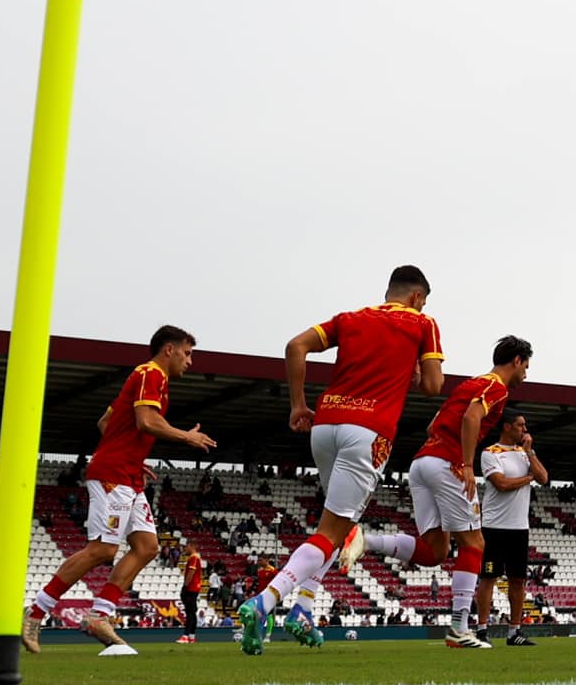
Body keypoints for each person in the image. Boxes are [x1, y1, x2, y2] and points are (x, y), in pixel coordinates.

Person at [237, 266, 444, 654]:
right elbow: (434, 386)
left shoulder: (350, 318)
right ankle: (266, 601)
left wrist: (299, 405)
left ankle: (303, 607)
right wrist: (415, 369)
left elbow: (295, 346)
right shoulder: (423, 323)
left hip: (326, 424)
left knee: (339, 525)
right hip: (369, 431)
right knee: (334, 529)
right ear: (417, 297)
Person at [22, 326, 214, 653]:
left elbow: (105, 423)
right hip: (113, 475)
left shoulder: (148, 379)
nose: (190, 361)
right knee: (103, 550)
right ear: (169, 349)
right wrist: (186, 436)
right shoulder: (150, 374)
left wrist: (130, 454)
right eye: (188, 352)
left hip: (127, 474)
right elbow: (146, 422)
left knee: (148, 546)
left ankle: (100, 615)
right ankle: (36, 611)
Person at [358, 336, 534, 648]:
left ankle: (364, 540)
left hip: (423, 462)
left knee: (435, 552)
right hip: (448, 465)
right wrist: (466, 464)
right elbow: (471, 418)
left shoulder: (467, 385)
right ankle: (459, 629)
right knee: (474, 543)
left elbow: (433, 426)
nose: (526, 375)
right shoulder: (496, 387)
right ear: (517, 361)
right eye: (526, 366)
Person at [476, 409, 548, 645]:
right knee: (488, 577)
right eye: (520, 425)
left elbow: (544, 477)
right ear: (507, 427)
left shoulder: (524, 453)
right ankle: (482, 629)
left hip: (519, 528)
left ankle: (514, 632)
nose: (524, 430)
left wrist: (529, 453)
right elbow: (502, 484)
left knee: (518, 580)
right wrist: (528, 479)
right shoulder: (490, 453)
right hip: (494, 527)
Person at [177, 541, 204, 642]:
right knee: (192, 612)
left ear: (192, 546)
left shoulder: (194, 557)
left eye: (186, 546)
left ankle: (185, 635)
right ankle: (192, 636)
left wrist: (185, 586)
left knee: (190, 613)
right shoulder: (196, 557)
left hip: (191, 588)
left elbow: (191, 572)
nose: (185, 548)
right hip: (195, 587)